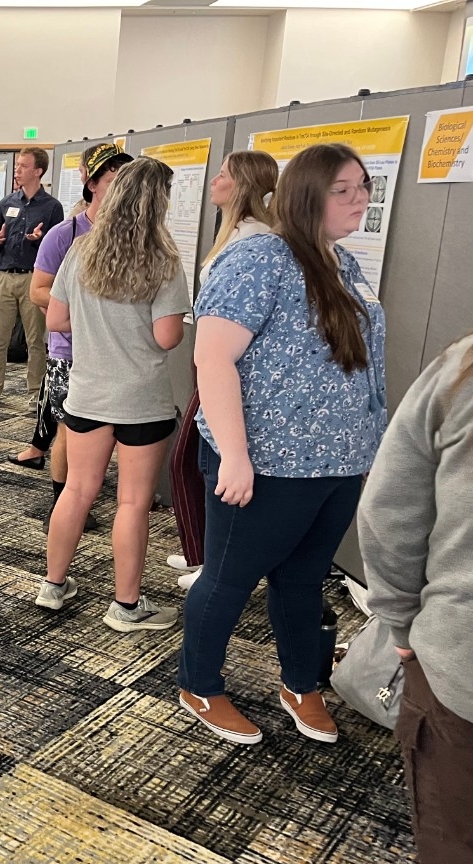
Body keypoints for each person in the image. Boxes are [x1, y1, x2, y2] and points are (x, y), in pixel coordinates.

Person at [177, 143, 387, 745]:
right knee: (228, 578)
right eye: (341, 189)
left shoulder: (344, 263)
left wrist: (368, 446)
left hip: (337, 460)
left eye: (363, 187)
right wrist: (235, 455)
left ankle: (301, 684)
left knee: (304, 577)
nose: (358, 200)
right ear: (306, 195)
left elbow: (362, 363)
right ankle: (199, 683)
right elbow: (213, 358)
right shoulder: (260, 259)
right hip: (266, 462)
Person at [358, 327, 473, 864]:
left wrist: (403, 622)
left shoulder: (468, 368)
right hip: (466, 680)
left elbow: (390, 513)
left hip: (465, 679)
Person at [34, 157, 190, 633]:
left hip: (88, 391)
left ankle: (53, 586)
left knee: (77, 491)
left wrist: (97, 326)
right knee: (132, 503)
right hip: (141, 398)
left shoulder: (81, 250)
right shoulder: (164, 261)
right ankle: (125, 606)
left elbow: (55, 320)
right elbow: (167, 337)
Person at [167, 150, 278, 591]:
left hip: (231, 369)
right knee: (192, 463)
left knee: (192, 463)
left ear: (243, 184)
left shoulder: (254, 240)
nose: (214, 180)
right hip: (214, 362)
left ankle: (214, 565)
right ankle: (204, 556)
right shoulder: (233, 232)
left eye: (224, 175)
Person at [11, 143, 124, 535]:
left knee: (113, 431)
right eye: (112, 180)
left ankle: (91, 494)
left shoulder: (131, 237)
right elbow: (39, 290)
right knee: (67, 430)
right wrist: (87, 320)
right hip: (72, 352)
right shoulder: (67, 234)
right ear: (92, 184)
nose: (119, 188)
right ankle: (63, 503)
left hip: (119, 356)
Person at [0, 147, 65, 411]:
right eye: (17, 166)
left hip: (33, 279)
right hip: (4, 277)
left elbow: (58, 248)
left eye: (23, 166)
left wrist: (40, 241)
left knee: (35, 339)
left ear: (38, 171)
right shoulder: (7, 203)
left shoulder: (52, 208)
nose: (17, 170)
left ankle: (36, 392)